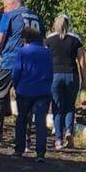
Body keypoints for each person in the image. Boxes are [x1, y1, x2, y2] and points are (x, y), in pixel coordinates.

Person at [0, 0, 42, 147]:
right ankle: (24, 139)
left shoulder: (10, 15)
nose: (4, 10)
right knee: (27, 100)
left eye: (5, 6)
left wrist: (1, 55)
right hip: (31, 63)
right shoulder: (36, 17)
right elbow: (43, 41)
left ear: (13, 4)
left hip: (10, 61)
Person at [11, 26, 54, 161]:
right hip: (43, 91)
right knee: (40, 122)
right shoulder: (47, 53)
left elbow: (17, 71)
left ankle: (19, 149)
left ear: (25, 39)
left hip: (25, 90)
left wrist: (15, 85)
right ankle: (40, 152)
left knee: (22, 119)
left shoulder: (23, 52)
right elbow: (51, 71)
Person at [46, 13, 86, 150]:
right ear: (68, 24)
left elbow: (45, 59)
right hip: (71, 75)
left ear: (55, 24)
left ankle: (58, 140)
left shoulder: (49, 39)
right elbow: (81, 60)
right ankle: (69, 131)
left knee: (57, 107)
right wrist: (84, 79)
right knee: (70, 106)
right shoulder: (76, 39)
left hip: (54, 75)